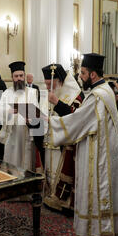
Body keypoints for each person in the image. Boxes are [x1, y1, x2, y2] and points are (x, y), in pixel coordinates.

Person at [49, 53, 118, 236]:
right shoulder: (106, 91)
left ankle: (96, 228)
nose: (80, 76)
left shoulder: (98, 96)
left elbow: (78, 122)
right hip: (103, 147)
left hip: (97, 151)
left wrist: (49, 123)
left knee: (97, 186)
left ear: (92, 74)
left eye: (83, 73)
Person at [39, 64, 83, 213]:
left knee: (61, 168)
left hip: (65, 143)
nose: (47, 87)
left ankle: (64, 201)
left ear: (59, 81)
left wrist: (57, 103)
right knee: (50, 168)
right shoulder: (51, 93)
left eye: (50, 84)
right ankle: (51, 195)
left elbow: (75, 117)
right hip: (49, 140)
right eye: (45, 84)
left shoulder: (74, 94)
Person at [0, 61, 40, 171]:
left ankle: (26, 182)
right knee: (11, 161)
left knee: (26, 162)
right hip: (12, 134)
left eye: (21, 75)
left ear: (24, 76)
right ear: (12, 77)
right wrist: (9, 111)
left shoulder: (32, 92)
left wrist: (31, 119)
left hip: (26, 134)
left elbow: (36, 112)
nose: (19, 78)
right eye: (16, 76)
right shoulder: (7, 92)